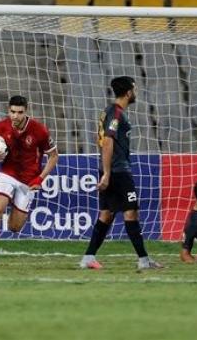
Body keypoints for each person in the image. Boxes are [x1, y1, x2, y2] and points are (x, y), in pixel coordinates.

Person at [79, 76, 162, 270]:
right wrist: (107, 173)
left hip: (112, 168)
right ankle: (143, 260)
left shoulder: (109, 111)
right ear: (128, 92)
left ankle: (88, 257)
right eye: (135, 89)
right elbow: (107, 141)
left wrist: (105, 169)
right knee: (131, 212)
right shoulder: (116, 113)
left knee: (106, 215)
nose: (136, 92)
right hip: (118, 171)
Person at [0, 95, 59, 267]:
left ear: (26, 111)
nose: (15, 116)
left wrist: (40, 178)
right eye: (12, 112)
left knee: (14, 228)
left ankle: (14, 205)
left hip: (29, 180)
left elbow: (54, 156)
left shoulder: (39, 130)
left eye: (20, 112)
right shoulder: (1, 126)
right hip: (8, 174)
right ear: (8, 110)